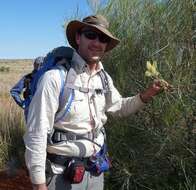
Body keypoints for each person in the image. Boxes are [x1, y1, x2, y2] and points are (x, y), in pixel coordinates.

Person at [23, 15, 169, 190]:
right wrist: (39, 184)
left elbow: (120, 108)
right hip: (61, 176)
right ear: (78, 38)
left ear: (106, 45)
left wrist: (148, 94)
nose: (97, 42)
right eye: (91, 34)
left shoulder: (103, 78)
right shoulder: (55, 78)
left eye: (103, 38)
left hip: (95, 172)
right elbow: (36, 133)